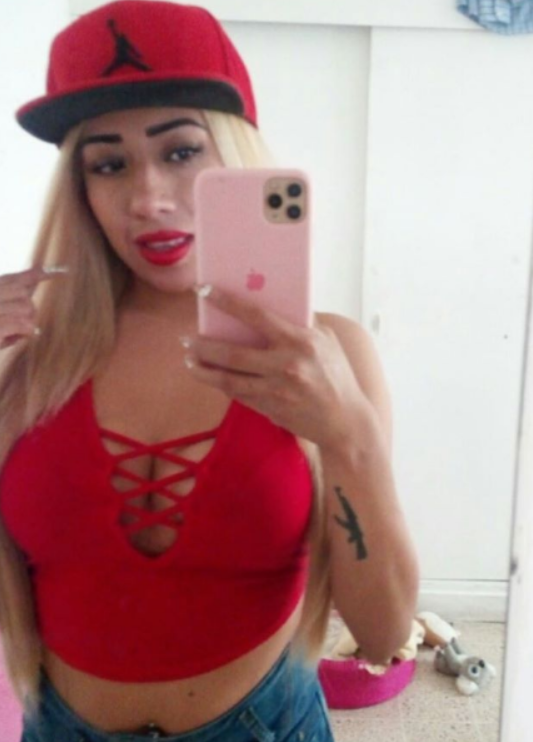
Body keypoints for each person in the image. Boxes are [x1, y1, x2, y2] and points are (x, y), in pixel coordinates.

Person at [0, 2, 420, 740]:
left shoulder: (327, 356)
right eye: (109, 164)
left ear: (235, 156)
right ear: (81, 188)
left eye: (182, 151)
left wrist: (348, 436)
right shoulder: (27, 353)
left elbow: (382, 635)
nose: (148, 199)